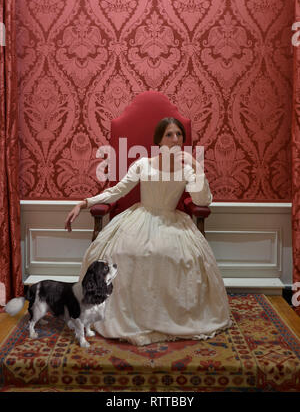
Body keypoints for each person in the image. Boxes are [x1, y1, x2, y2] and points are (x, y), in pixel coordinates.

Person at [65, 118, 232, 346]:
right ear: (159, 140)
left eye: (179, 135)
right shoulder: (144, 164)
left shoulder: (186, 168)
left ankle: (170, 317)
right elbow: (116, 191)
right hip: (140, 220)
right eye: (169, 135)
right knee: (124, 254)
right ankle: (130, 317)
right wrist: (83, 203)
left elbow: (203, 200)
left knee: (178, 257)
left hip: (173, 222)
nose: (175, 140)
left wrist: (197, 166)